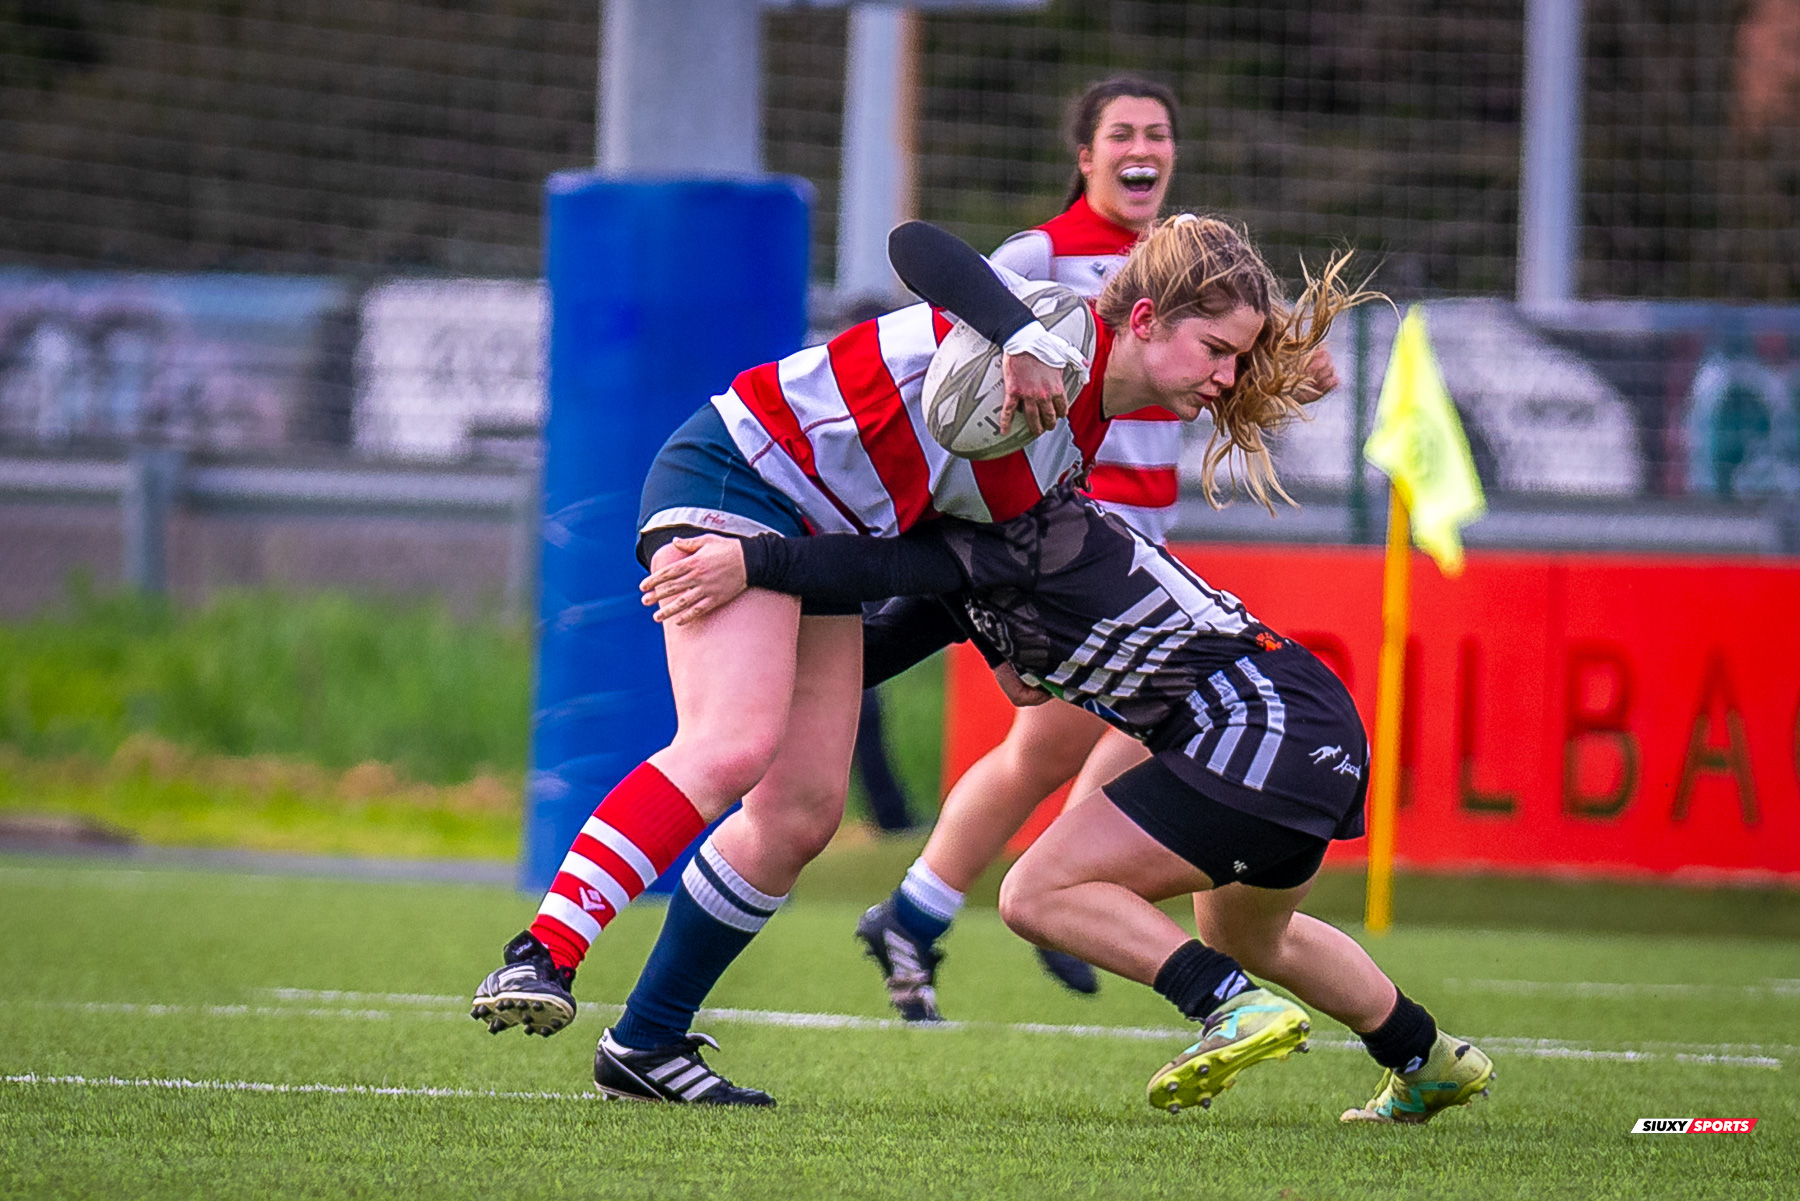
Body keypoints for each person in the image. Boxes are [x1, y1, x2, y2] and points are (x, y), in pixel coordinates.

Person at [469, 212, 1340, 1107]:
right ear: (1148, 318)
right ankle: (542, 953)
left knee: (802, 810)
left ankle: (646, 1043)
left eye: (1239, 361)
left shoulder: (1070, 443)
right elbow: (915, 245)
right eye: (1216, 349)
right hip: (738, 473)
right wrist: (1019, 334)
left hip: (820, 539)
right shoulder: (1055, 324)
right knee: (731, 743)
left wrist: (999, 637)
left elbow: (934, 575)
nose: (1225, 378)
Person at [639, 434, 1496, 1126]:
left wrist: (752, 564)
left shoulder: (999, 532)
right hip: (1311, 722)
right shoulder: (975, 551)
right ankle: (1427, 1056)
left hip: (1256, 726)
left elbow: (863, 572)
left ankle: (1226, 1006)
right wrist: (742, 668)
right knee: (1257, 935)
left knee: (1036, 893)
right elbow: (869, 648)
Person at [852, 75, 1338, 1014]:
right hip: (1051, 526)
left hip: (1138, 529)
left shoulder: (1194, 274)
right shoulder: (1042, 252)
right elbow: (972, 349)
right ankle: (1038, 890)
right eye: (1121, 132)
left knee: (1057, 740)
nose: (1140, 147)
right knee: (1116, 719)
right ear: (1087, 157)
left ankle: (937, 906)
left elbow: (1222, 383)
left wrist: (1283, 380)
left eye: (1158, 131)